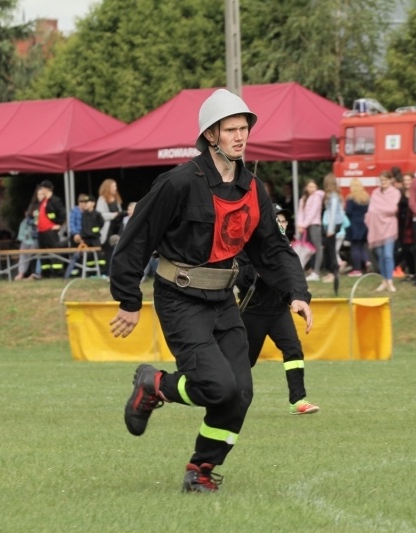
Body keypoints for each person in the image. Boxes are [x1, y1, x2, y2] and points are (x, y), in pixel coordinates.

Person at [108, 89, 313, 493]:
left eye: (244, 129)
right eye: (231, 129)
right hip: (179, 299)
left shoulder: (254, 189)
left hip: (224, 301)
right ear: (211, 135)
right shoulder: (178, 183)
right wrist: (129, 300)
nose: (240, 136)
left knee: (240, 393)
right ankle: (153, 385)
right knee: (217, 386)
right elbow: (135, 239)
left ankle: (200, 470)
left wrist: (296, 293)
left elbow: (272, 247)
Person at [236, 211, 319, 415]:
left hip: (279, 311)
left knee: (293, 350)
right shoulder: (246, 244)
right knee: (245, 361)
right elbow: (239, 276)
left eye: (283, 220)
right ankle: (224, 396)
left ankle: (298, 401)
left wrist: (297, 298)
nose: (281, 224)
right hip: (253, 312)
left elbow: (292, 275)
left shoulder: (283, 248)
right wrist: (257, 271)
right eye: (277, 221)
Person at [366, 170, 401, 292]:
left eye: (385, 180)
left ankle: (390, 280)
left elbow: (392, 209)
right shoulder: (375, 192)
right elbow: (371, 209)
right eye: (381, 180)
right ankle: (383, 280)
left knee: (388, 255)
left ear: (391, 180)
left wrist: (378, 210)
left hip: (389, 227)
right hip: (376, 228)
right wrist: (376, 211)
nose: (383, 182)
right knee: (380, 255)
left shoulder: (395, 192)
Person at [65, 195, 104, 278]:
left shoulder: (97, 214)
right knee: (87, 257)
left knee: (99, 256)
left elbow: (101, 223)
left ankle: (101, 272)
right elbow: (81, 226)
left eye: (87, 202)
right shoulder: (83, 214)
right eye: (83, 202)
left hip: (95, 238)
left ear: (93, 203)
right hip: (86, 238)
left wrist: (94, 231)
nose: (85, 204)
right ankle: (88, 273)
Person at [295, 178, 324, 280]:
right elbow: (300, 213)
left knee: (317, 248)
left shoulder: (317, 197)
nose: (312, 189)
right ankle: (306, 269)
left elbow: (313, 212)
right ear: (306, 188)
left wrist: (303, 225)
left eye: (314, 186)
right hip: (305, 227)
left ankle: (316, 272)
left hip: (314, 225)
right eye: (310, 186)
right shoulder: (303, 199)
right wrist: (300, 224)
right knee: (307, 249)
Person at [36, 180, 66, 278]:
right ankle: (45, 272)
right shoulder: (44, 201)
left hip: (50, 231)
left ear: (47, 189)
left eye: (42, 188)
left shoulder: (55, 200)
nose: (41, 190)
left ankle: (58, 272)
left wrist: (59, 224)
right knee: (43, 253)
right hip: (41, 232)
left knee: (54, 251)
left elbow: (62, 213)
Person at [321, 173, 346, 283]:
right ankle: (331, 272)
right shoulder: (334, 195)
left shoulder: (333, 196)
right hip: (335, 224)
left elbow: (332, 214)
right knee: (329, 249)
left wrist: (330, 229)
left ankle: (334, 273)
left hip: (333, 225)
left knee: (331, 250)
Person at [96, 179, 123, 275]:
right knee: (108, 251)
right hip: (108, 229)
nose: (115, 188)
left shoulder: (116, 199)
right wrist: (113, 215)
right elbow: (100, 215)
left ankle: (117, 272)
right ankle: (109, 273)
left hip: (117, 228)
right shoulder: (102, 199)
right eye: (113, 186)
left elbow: (120, 212)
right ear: (108, 187)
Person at [344, 179, 369, 276]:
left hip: (354, 224)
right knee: (363, 246)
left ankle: (357, 269)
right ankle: (367, 261)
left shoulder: (351, 198)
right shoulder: (366, 197)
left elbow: (349, 212)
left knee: (355, 247)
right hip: (364, 223)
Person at [395, 172, 415, 278]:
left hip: (411, 223)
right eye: (405, 180)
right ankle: (409, 272)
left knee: (412, 249)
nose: (407, 182)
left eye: (409, 180)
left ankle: (414, 271)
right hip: (401, 223)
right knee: (405, 248)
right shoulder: (400, 193)